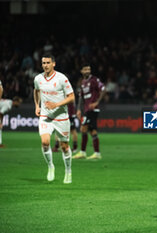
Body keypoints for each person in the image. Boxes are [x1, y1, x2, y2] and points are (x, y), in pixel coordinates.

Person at [33, 54, 75, 184]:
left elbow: (72, 97)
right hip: (46, 116)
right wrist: (37, 105)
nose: (45, 65)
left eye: (48, 63)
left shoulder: (62, 78)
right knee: (45, 142)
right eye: (43, 63)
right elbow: (36, 91)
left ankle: (68, 171)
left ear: (54, 64)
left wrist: (56, 105)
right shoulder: (38, 78)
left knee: (64, 146)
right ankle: (51, 166)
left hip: (61, 117)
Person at [73, 64, 106, 160]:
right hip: (86, 109)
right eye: (85, 69)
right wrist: (79, 109)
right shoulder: (83, 82)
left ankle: (83, 152)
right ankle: (97, 153)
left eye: (89, 69)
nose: (88, 71)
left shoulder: (94, 80)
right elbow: (81, 97)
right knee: (92, 131)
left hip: (93, 110)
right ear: (81, 71)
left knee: (83, 128)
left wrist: (97, 102)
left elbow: (103, 89)